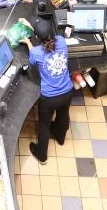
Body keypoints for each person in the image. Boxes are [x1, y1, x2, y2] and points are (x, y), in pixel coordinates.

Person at [27, 18, 73, 165]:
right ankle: (60, 138)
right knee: (63, 113)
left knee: (44, 125)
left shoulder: (35, 52)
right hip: (67, 92)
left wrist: (27, 42)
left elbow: (32, 61)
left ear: (37, 38)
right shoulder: (61, 41)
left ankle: (42, 155)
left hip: (49, 98)